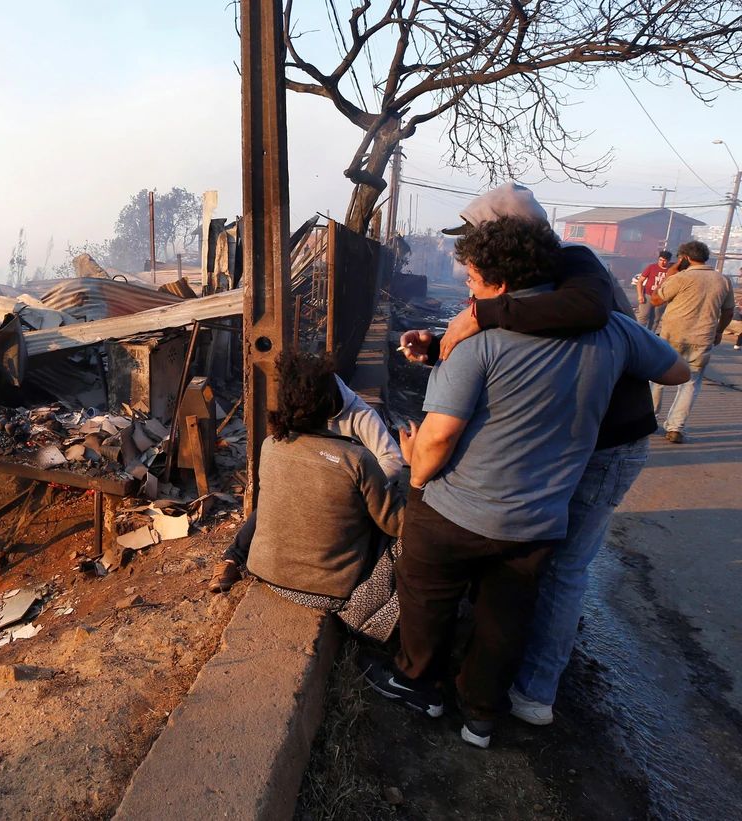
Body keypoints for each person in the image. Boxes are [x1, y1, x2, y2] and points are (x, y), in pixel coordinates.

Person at [363, 215, 688, 750]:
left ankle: (419, 684)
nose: (468, 290)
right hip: (540, 519)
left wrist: (417, 476)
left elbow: (439, 439)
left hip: (457, 510)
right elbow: (675, 371)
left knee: (427, 592)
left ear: (499, 285)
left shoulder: (476, 342)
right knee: (504, 615)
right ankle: (482, 717)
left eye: (470, 279)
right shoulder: (612, 330)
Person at [208, 373, 404, 593]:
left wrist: (363, 489)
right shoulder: (281, 441)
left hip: (349, 496)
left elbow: (392, 459)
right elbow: (399, 524)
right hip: (316, 500)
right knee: (265, 507)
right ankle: (232, 558)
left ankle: (235, 557)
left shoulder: (360, 419)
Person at [649, 240, 735, 442]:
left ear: (684, 258)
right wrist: (719, 331)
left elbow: (655, 300)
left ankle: (650, 420)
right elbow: (728, 311)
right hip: (702, 338)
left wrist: (670, 276)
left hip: (672, 337)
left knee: (658, 379)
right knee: (690, 384)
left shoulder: (680, 278)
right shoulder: (722, 280)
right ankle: (676, 428)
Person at [634, 250, 671, 331]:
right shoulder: (651, 267)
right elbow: (640, 281)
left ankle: (651, 337)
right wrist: (640, 295)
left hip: (661, 297)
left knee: (655, 319)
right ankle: (638, 334)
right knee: (643, 316)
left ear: (668, 261)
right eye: (660, 260)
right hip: (648, 295)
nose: (662, 262)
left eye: (665, 260)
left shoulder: (671, 270)